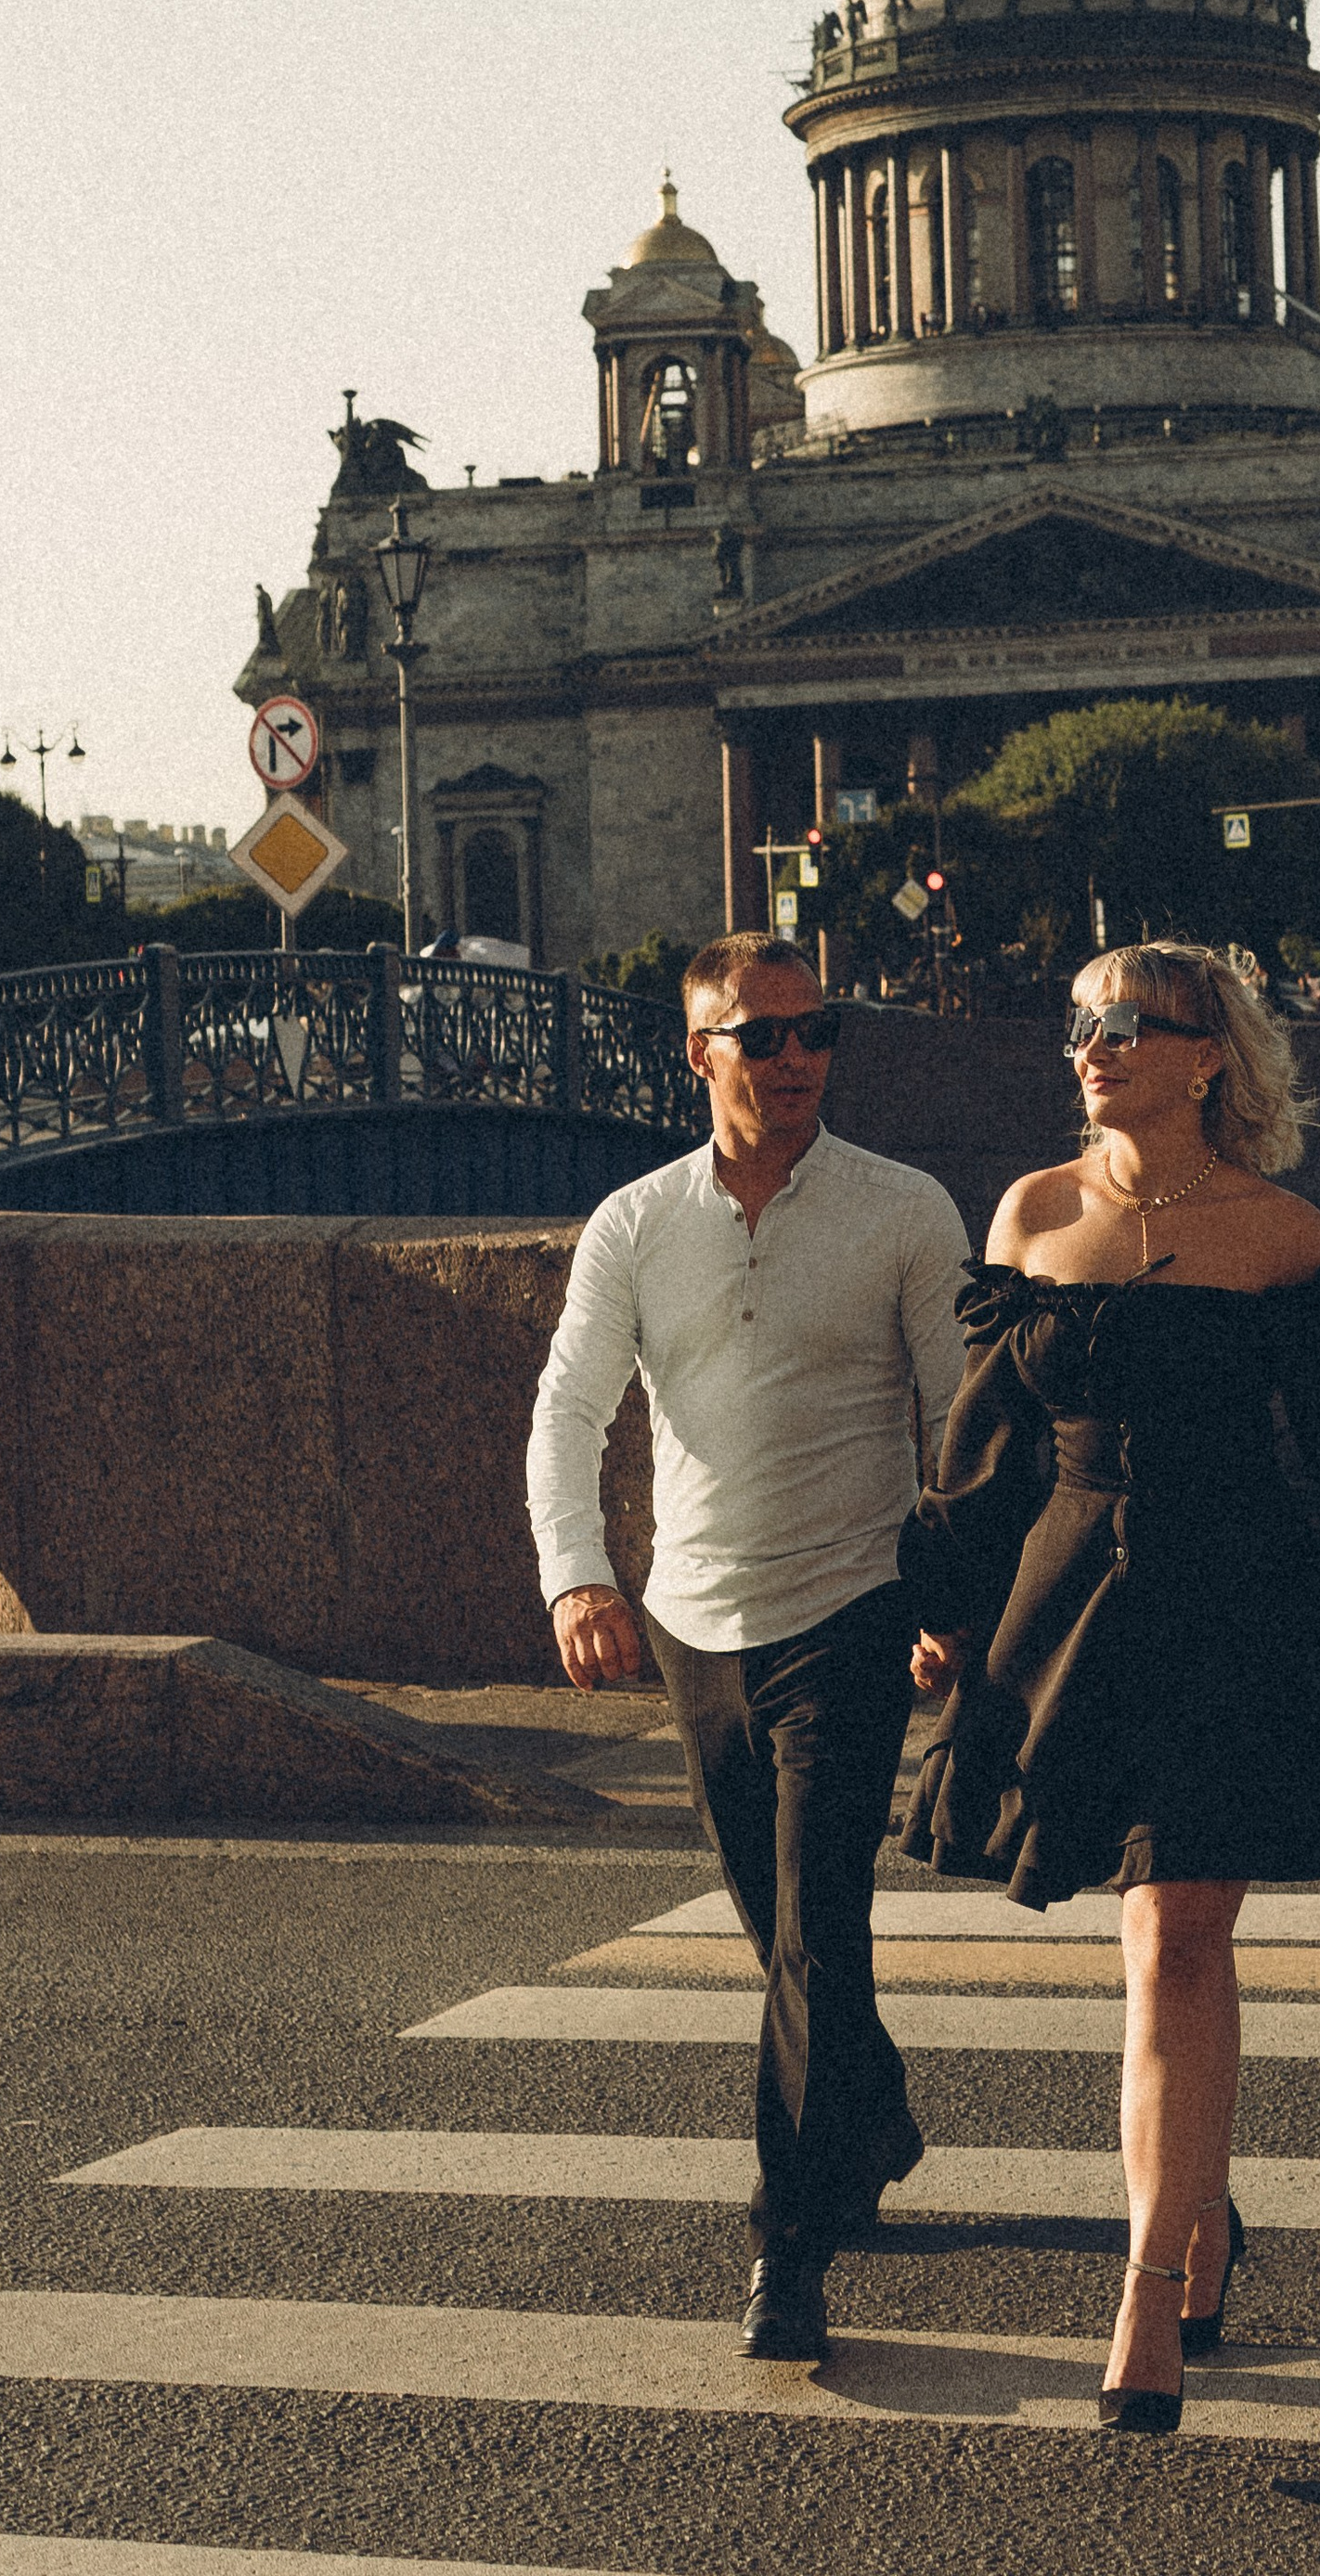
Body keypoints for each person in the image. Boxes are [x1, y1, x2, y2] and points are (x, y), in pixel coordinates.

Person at [898, 940, 1320, 2435]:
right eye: (1080, 1019)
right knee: (1150, 1938)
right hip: (1076, 1605)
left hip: (1243, 1606)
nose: (1093, 1043)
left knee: (1175, 1939)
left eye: (1126, 1023)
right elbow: (986, 1452)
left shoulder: (1281, 1233)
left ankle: (1149, 2285)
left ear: (1207, 1053)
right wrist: (947, 1614)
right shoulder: (1035, 1214)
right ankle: (1202, 2217)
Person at [525, 933, 967, 2367]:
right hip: (691, 1619)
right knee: (777, 1932)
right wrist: (578, 1576)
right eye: (759, 1036)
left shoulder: (905, 1210)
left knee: (816, 1922)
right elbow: (569, 1411)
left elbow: (957, 1425)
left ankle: (791, 2246)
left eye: (814, 1032)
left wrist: (949, 1597)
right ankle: (878, 2112)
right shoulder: (635, 1223)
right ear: (697, 1052)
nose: (793, 1060)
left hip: (852, 1609)